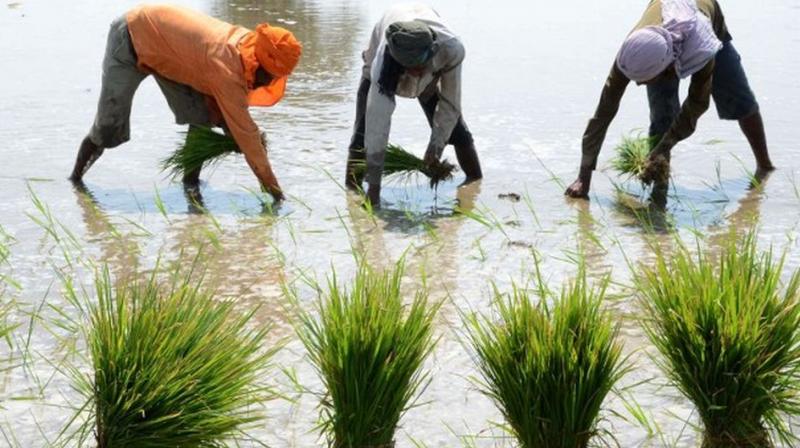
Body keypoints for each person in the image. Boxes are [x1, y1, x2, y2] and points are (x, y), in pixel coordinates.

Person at [70, 4, 302, 202]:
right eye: (270, 75)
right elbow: (245, 132)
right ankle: (76, 183)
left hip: (169, 51)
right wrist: (275, 193)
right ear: (258, 61)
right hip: (131, 37)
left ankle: (190, 185)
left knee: (202, 116)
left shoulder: (246, 47)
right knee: (108, 126)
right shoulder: (227, 67)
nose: (270, 81)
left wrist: (243, 137)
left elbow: (233, 121)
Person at [565, 0, 774, 200]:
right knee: (662, 118)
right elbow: (603, 112)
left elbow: (697, 104)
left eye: (646, 79)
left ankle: (765, 166)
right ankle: (659, 192)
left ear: (666, 67)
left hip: (706, 21)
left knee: (738, 96)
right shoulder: (633, 53)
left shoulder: (703, 47)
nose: (639, 84)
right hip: (663, 37)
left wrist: (666, 146)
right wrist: (584, 176)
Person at [345, 3, 482, 206]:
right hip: (387, 65)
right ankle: (352, 192)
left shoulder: (451, 49)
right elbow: (378, 122)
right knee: (362, 135)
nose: (416, 72)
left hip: (433, 72)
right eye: (411, 68)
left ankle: (475, 184)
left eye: (419, 66)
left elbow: (450, 104)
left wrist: (435, 148)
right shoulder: (384, 61)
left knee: (457, 132)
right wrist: (374, 188)